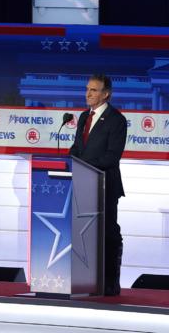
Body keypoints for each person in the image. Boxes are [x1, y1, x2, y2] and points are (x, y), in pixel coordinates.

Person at [69, 73, 128, 296]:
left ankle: (110, 282)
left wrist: (85, 166)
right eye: (87, 89)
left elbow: (112, 156)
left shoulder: (116, 120)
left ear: (106, 94)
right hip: (82, 184)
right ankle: (85, 278)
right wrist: (71, 160)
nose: (88, 94)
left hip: (105, 185)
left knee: (108, 232)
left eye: (93, 90)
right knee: (83, 232)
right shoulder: (84, 117)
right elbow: (76, 148)